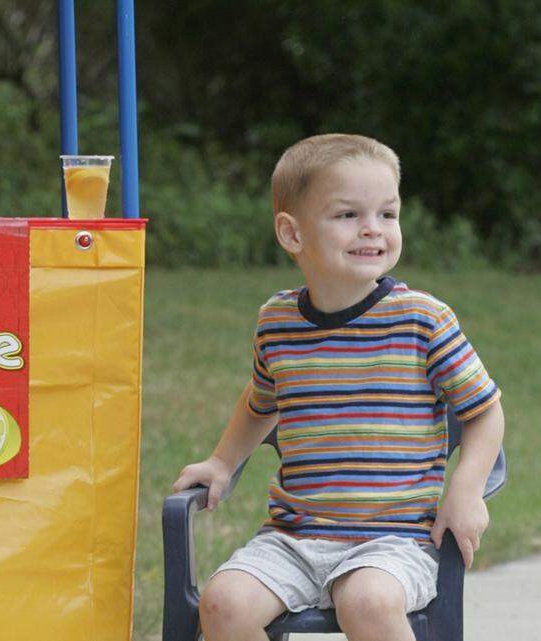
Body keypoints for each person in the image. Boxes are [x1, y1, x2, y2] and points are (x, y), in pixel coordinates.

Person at [172, 133, 505, 641]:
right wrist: (221, 461)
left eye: (387, 214)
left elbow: (484, 411)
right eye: (348, 215)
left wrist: (465, 489)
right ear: (291, 233)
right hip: (294, 537)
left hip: (394, 542)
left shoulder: (422, 319)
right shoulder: (277, 322)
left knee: (367, 602)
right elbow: (261, 402)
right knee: (222, 604)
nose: (373, 229)